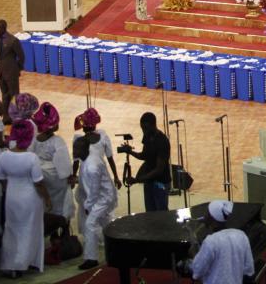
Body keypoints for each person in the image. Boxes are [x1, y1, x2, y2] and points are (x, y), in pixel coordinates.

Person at [0, 120, 50, 278]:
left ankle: (11, 264)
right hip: (30, 198)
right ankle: (27, 262)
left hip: (12, 197)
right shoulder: (32, 158)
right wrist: (47, 198)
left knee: (12, 229)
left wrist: (10, 188)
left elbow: (0, 178)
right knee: (30, 230)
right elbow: (38, 182)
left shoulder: (3, 155)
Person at [75, 134, 118, 270]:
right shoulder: (88, 158)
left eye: (76, 148)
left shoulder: (92, 167)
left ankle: (91, 258)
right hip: (101, 196)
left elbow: (93, 191)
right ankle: (116, 248)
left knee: (90, 224)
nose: (74, 151)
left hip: (104, 198)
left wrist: (88, 206)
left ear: (84, 149)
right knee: (106, 224)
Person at [189, 200, 255, 284]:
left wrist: (194, 253)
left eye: (207, 213)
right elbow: (249, 270)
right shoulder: (241, 235)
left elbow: (197, 271)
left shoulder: (211, 241)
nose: (204, 216)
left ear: (211, 217)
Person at [120, 112, 170, 211]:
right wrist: (130, 152)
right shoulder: (147, 136)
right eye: (142, 128)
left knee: (161, 214)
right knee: (150, 214)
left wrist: (138, 180)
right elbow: (144, 156)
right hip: (149, 181)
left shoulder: (162, 141)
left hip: (161, 182)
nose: (144, 131)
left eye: (145, 128)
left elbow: (158, 170)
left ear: (153, 125)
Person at [32, 102, 72, 220]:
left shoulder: (34, 139)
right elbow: (63, 164)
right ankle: (60, 232)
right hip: (55, 178)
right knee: (61, 205)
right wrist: (69, 176)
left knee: (44, 203)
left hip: (40, 175)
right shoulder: (57, 141)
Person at [0, 19, 24, 122]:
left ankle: (16, 115)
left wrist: (17, 68)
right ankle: (6, 117)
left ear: (4, 28)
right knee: (4, 94)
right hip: (1, 72)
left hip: (11, 72)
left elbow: (21, 56)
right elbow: (0, 55)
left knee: (13, 94)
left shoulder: (13, 41)